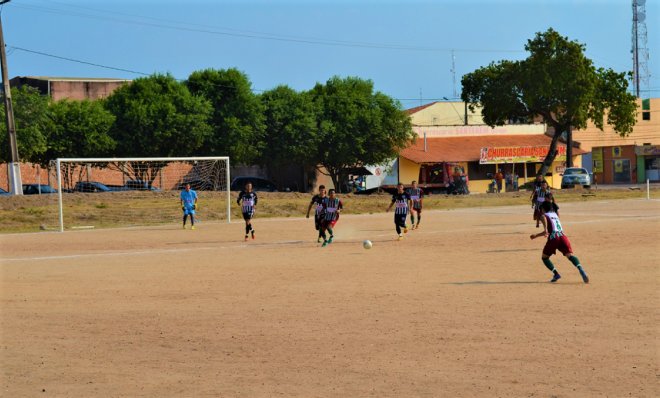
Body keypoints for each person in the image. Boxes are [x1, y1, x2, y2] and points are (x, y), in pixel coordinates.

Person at [530, 200, 589, 284]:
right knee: (570, 256)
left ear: (543, 209)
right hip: (563, 236)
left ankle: (556, 274)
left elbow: (545, 231)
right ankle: (581, 269)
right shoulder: (555, 215)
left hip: (554, 238)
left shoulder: (544, 216)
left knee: (544, 257)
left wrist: (535, 236)